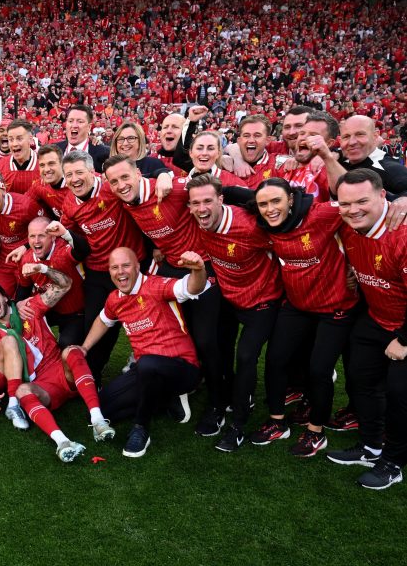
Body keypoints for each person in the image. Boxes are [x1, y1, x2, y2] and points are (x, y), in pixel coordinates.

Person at [103, 154, 228, 436]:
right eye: (114, 181)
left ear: (138, 174)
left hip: (203, 264)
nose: (121, 185)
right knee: (174, 332)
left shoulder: (172, 188)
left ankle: (218, 404)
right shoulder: (123, 199)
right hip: (171, 266)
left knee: (206, 338)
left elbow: (217, 193)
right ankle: (177, 385)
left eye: (125, 177)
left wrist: (163, 173)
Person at [249, 179, 358, 456]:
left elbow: (360, 203)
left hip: (336, 307)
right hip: (297, 305)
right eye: (263, 204)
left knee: (319, 370)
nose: (270, 209)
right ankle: (277, 422)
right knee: (275, 360)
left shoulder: (320, 214)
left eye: (276, 201)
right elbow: (233, 195)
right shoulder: (264, 225)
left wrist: (401, 199)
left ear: (291, 200)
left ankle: (315, 432)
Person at [186, 173, 283, 452]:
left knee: (246, 356)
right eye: (195, 203)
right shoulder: (200, 222)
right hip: (229, 296)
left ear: (221, 199)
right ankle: (218, 403)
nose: (202, 209)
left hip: (262, 300)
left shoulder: (250, 225)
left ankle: (238, 423)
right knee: (212, 345)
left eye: (207, 201)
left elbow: (286, 241)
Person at [80, 247, 209, 457]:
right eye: (114, 267)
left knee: (148, 363)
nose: (120, 272)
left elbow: (192, 287)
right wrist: (84, 347)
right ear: (109, 271)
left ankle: (141, 428)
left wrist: (198, 269)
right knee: (96, 412)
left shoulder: (157, 286)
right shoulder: (114, 299)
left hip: (182, 368)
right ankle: (165, 400)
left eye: (125, 265)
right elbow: (103, 320)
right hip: (145, 371)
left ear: (137, 266)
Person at [0, 269, 115, 462]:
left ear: (5, 298)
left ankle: (98, 420)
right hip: (42, 386)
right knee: (22, 390)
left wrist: (42, 269)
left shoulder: (29, 307)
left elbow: (65, 284)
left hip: (61, 370)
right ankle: (62, 442)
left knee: (72, 351)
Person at [326, 169, 407, 490]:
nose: (353, 209)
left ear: (383, 196)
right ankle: (371, 446)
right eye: (345, 203)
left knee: (400, 395)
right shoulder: (349, 227)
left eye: (362, 201)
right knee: (359, 380)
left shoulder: (402, 233)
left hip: (403, 328)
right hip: (375, 318)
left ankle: (394, 462)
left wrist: (404, 339)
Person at [59, 150, 145, 384]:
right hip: (97, 269)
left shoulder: (111, 188)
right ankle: (93, 375)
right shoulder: (69, 202)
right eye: (69, 175)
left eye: (79, 172)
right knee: (95, 325)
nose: (74, 179)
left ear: (92, 172)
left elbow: (144, 188)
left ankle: (148, 368)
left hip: (131, 268)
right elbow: (68, 230)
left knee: (140, 321)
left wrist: (164, 175)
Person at [15, 217, 89, 347]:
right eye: (32, 236)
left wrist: (65, 233)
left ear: (53, 237)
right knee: (20, 326)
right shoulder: (26, 259)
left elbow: (83, 250)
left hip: (75, 311)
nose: (36, 241)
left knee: (66, 345)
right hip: (50, 310)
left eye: (41, 236)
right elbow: (23, 289)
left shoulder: (63, 251)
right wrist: (19, 304)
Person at [54, 104, 109, 171]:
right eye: (70, 121)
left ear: (89, 127)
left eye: (80, 121)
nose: (74, 125)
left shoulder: (104, 153)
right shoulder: (54, 150)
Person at [0, 119, 40, 194]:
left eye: (19, 139)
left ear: (30, 139)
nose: (14, 144)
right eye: (11, 140)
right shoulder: (0, 167)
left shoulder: (43, 164)